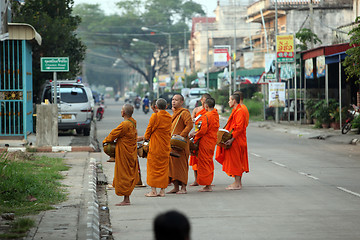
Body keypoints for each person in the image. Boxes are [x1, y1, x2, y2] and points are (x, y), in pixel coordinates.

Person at [102, 104, 139, 206]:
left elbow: (113, 134)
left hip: (124, 154)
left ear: (123, 113)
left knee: (123, 175)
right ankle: (126, 198)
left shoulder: (124, 124)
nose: (121, 111)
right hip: (130, 153)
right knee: (127, 174)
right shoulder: (133, 122)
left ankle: (126, 199)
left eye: (122, 110)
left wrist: (105, 141)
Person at [138, 98, 172, 197]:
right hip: (165, 146)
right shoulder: (169, 117)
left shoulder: (155, 116)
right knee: (164, 169)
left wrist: (146, 138)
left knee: (153, 168)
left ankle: (153, 191)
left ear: (156, 107)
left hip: (155, 146)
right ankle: (162, 191)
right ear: (166, 107)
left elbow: (148, 131)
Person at [215, 93, 249, 190]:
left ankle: (237, 184)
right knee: (236, 160)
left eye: (230, 100)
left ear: (234, 101)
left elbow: (239, 127)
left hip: (236, 140)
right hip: (235, 139)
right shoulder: (236, 110)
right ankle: (237, 182)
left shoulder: (239, 111)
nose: (228, 102)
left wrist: (231, 139)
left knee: (236, 161)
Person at [190, 97, 219, 192]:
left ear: (206, 105)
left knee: (204, 162)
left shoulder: (206, 116)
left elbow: (202, 131)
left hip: (205, 142)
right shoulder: (215, 114)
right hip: (212, 141)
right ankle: (208, 183)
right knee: (209, 161)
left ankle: (207, 185)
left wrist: (195, 135)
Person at [167, 94, 193, 194]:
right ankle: (176, 187)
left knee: (181, 166)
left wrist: (181, 136)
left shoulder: (184, 112)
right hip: (173, 143)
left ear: (181, 102)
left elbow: (189, 125)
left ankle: (183, 188)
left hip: (181, 144)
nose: (174, 101)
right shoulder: (174, 113)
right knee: (173, 166)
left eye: (176, 100)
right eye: (173, 99)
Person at [189, 93, 211, 186]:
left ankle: (206, 179)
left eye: (206, 101)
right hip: (196, 135)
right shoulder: (196, 110)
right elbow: (191, 120)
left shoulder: (210, 111)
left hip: (205, 136)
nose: (204, 103)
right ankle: (196, 179)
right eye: (203, 100)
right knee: (195, 159)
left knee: (205, 159)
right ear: (201, 100)